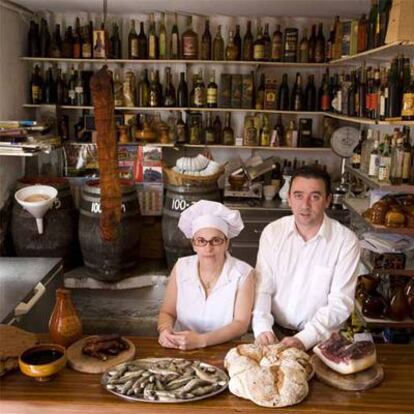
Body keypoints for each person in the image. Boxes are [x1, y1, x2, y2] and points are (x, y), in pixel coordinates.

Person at [252, 166, 360, 351]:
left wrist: (305, 338)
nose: (305, 205)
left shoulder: (346, 240)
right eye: (299, 195)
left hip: (322, 339)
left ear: (328, 201)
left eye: (315, 197)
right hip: (274, 334)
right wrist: (262, 328)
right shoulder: (273, 232)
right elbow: (263, 288)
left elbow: (340, 302)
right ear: (289, 198)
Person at [158, 200, 255, 350]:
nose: (208, 248)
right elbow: (167, 312)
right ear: (194, 244)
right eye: (201, 241)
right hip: (180, 347)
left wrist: (202, 340)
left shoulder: (243, 273)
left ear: (226, 243)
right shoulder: (181, 267)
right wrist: (165, 331)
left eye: (215, 240)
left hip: (225, 350)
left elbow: (241, 324)